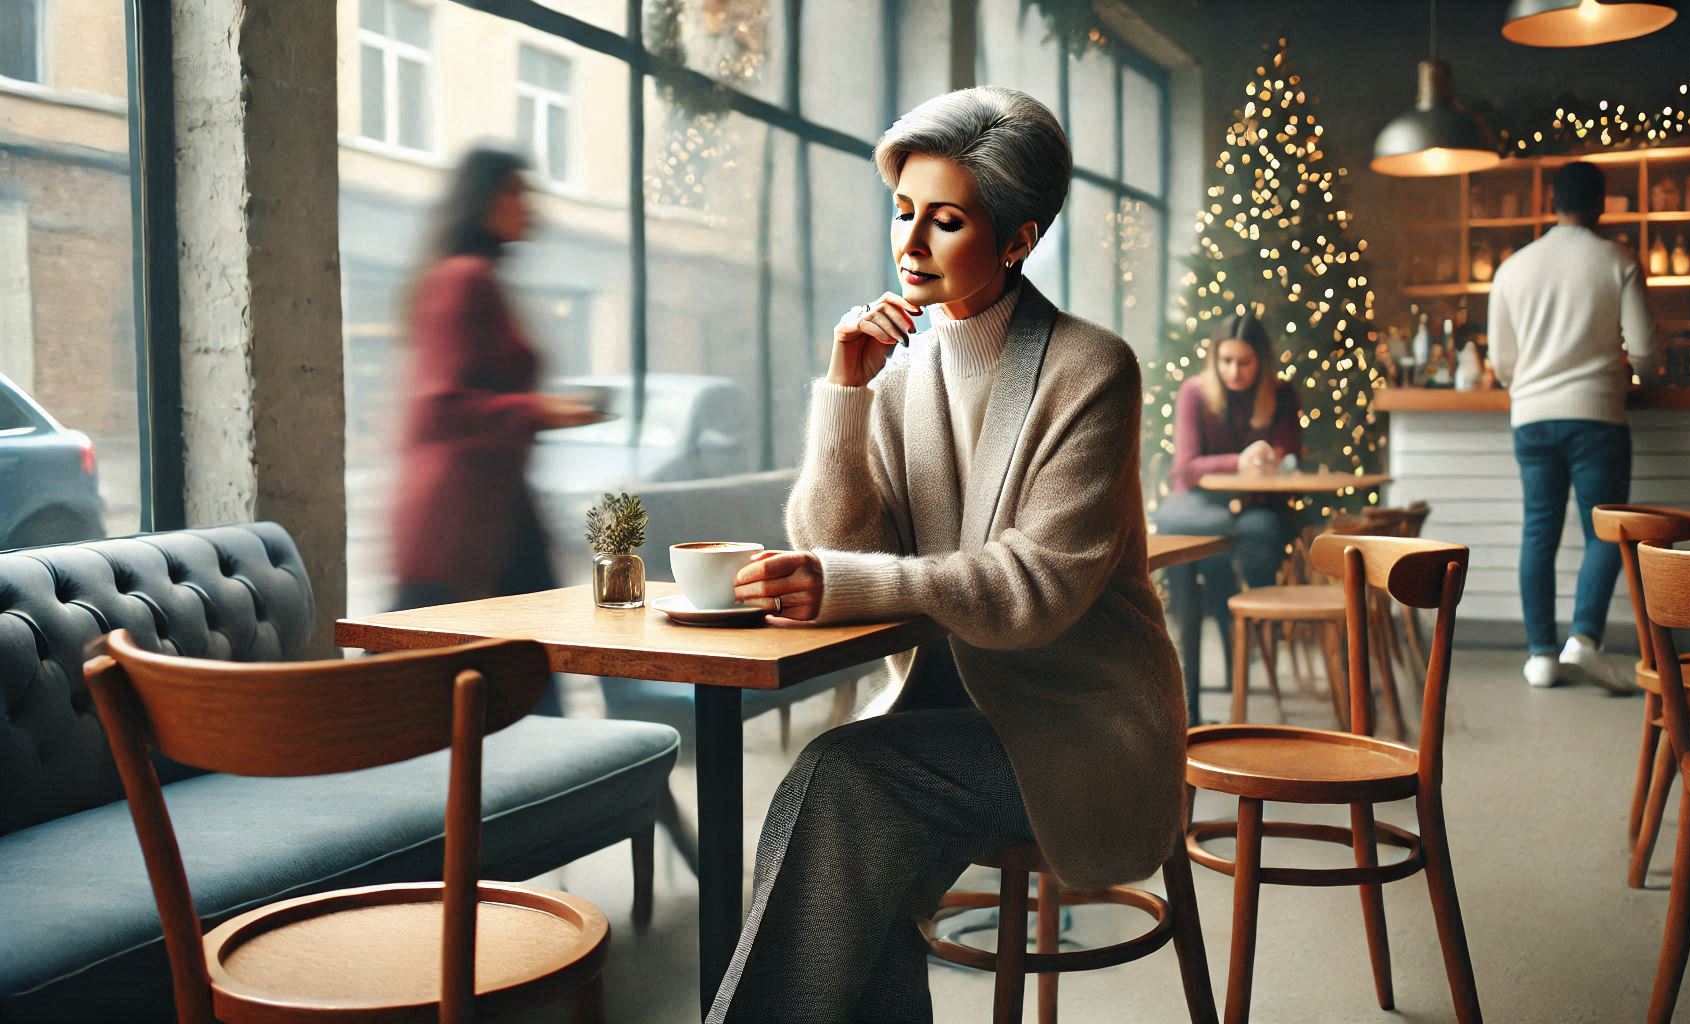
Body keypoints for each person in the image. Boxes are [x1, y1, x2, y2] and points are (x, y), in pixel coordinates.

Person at [706, 87, 1185, 1022]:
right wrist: (845, 393)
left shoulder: (1093, 369)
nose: (910, 243)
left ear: (1017, 239)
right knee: (844, 830)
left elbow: (1033, 587)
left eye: (947, 220)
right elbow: (838, 543)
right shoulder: (901, 369)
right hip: (950, 713)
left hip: (1081, 729)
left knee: (839, 785)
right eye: (903, 213)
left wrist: (846, 580)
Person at [389, 147, 597, 714]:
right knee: (515, 691)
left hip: (495, 513)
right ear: (482, 199)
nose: (527, 204)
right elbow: (440, 406)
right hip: (460, 522)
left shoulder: (479, 278)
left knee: (529, 685)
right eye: (513, 191)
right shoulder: (463, 278)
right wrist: (540, 411)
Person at [1488, 160, 1659, 690]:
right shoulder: (1618, 260)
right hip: (1598, 416)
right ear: (1600, 204)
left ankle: (1540, 655)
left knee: (1538, 531)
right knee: (1605, 530)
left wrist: (1531, 383)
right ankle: (1583, 640)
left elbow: (1501, 362)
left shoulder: (1513, 267)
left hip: (1532, 416)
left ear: (1553, 202)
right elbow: (1647, 350)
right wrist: (1639, 379)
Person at [1153, 311, 1300, 724]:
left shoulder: (1282, 395)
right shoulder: (1195, 393)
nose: (1234, 371)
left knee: (1254, 539)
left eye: (1245, 362)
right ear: (1215, 358)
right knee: (1197, 549)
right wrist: (1241, 461)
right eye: (1226, 361)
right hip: (1201, 513)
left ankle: (1245, 648)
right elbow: (1185, 469)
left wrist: (1274, 461)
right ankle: (1191, 711)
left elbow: (1291, 459)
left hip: (1255, 512)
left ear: (1262, 361)